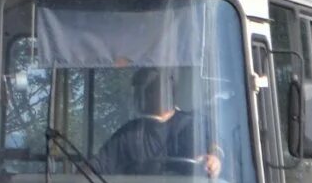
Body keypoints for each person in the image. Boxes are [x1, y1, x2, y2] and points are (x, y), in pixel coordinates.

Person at [89, 68, 223, 177]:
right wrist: (77, 181)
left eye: (148, 91)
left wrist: (214, 159)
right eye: (139, 92)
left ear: (167, 92)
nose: (140, 97)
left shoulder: (195, 124)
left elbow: (217, 148)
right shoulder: (129, 134)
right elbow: (97, 167)